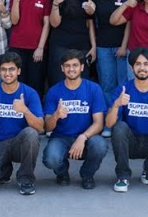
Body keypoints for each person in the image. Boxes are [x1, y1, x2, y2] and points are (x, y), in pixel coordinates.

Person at [106, 47, 148, 192]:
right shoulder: (123, 89)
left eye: (146, 64)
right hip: (130, 141)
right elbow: (109, 124)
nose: (142, 68)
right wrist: (117, 104)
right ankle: (123, 176)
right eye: (138, 64)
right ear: (132, 68)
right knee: (119, 127)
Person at [0, 52, 45, 196]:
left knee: (31, 133)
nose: (7, 73)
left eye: (11, 69)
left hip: (20, 143)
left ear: (18, 71)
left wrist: (25, 110)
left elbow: (40, 127)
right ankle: (4, 169)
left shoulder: (29, 93)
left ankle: (26, 178)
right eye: (4, 69)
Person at [43, 50, 108, 190]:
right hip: (61, 137)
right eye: (67, 65)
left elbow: (99, 123)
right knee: (51, 159)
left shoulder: (93, 89)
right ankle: (62, 173)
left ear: (82, 67)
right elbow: (47, 127)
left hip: (87, 138)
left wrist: (83, 137)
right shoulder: (54, 91)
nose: (71, 69)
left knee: (100, 145)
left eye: (75, 65)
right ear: (62, 68)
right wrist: (56, 116)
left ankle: (87, 174)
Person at [47, 0, 95, 86]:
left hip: (82, 46)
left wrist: (93, 46)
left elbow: (90, 23)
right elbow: (54, 23)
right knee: (59, 82)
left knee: (81, 83)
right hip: (61, 45)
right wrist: (55, 4)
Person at [91, 0, 130, 108]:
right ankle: (110, 116)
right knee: (107, 85)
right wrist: (94, 46)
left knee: (124, 84)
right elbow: (91, 23)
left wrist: (124, 46)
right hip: (103, 46)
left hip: (121, 46)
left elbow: (129, 23)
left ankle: (122, 116)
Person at [9, 0, 52, 95]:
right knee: (18, 85)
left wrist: (40, 48)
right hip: (18, 46)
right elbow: (14, 21)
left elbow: (47, 23)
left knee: (36, 85)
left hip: (36, 48)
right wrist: (16, 1)